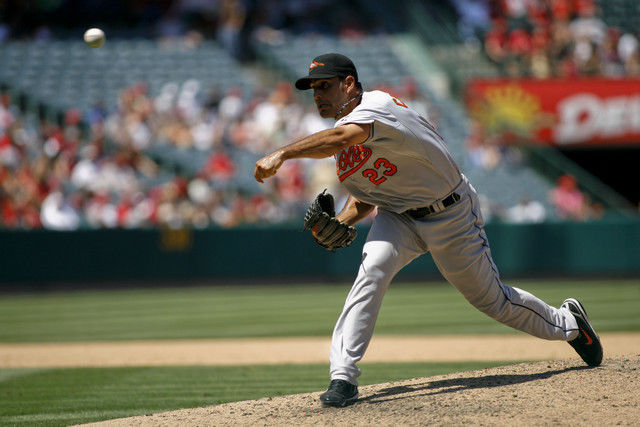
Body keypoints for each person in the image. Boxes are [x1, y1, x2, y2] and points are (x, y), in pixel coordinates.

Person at [253, 53, 603, 407]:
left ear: (349, 84)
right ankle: (343, 377)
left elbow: (342, 136)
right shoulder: (342, 149)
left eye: (325, 85)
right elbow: (365, 199)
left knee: (492, 301)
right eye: (313, 89)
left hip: (451, 213)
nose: (318, 95)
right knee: (371, 271)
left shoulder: (378, 105)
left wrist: (282, 154)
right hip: (399, 216)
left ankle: (568, 322)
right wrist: (341, 222)